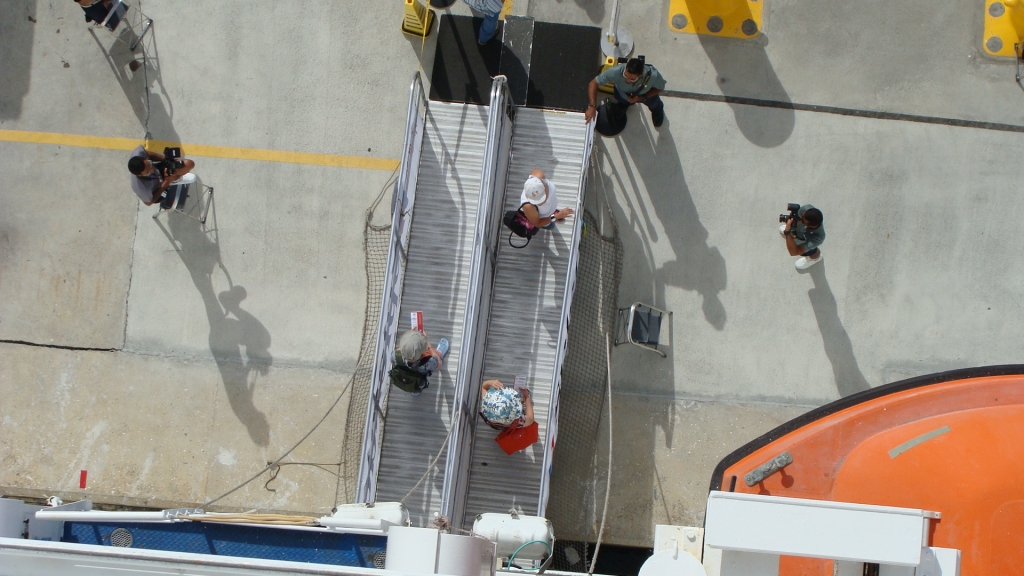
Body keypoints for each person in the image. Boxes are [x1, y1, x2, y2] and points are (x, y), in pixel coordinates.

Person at [584, 56, 667, 128]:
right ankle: (624, 105)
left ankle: (657, 112)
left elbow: (660, 88)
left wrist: (642, 97)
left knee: (655, 105)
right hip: (622, 94)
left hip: (646, 94)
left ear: (640, 75)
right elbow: (593, 83)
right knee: (622, 101)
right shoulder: (615, 72)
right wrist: (592, 106)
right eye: (625, 75)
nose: (627, 80)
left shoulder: (653, 76)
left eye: (632, 79)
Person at [127, 145, 196, 206]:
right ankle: (173, 180)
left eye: (150, 164)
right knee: (166, 197)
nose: (152, 170)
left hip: (159, 171)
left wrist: (165, 158)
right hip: (158, 190)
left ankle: (175, 177)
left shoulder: (138, 153)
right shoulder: (140, 188)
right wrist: (167, 182)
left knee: (189, 164)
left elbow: (148, 154)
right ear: (139, 175)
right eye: (148, 172)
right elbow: (148, 203)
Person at [395, 330, 450, 396]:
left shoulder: (395, 356)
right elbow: (439, 365)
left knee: (413, 384)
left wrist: (409, 342)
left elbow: (399, 351)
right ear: (423, 353)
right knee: (436, 355)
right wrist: (429, 347)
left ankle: (415, 390)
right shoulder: (429, 363)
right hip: (420, 376)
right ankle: (439, 352)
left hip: (405, 378)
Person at [780, 205, 825, 270]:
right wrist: (792, 224)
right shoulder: (806, 210)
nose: (800, 219)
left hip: (805, 240)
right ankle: (792, 233)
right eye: (801, 217)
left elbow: (794, 252)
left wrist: (787, 232)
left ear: (812, 226)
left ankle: (815, 259)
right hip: (798, 232)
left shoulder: (818, 237)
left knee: (812, 252)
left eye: (802, 221)